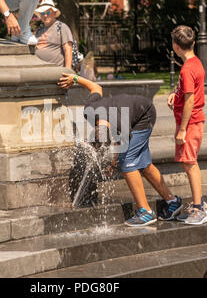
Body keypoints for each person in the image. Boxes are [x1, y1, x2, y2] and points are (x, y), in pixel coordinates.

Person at [58, 73, 183, 227]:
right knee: (143, 164)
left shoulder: (120, 124)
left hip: (144, 115)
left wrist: (115, 159)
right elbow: (96, 87)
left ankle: (145, 212)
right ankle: (172, 201)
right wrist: (75, 78)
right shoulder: (89, 110)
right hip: (132, 111)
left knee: (127, 163)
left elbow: (123, 141)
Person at [167, 25, 207, 225]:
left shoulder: (186, 69)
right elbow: (186, 95)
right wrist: (174, 97)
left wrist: (183, 130)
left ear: (176, 47)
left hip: (190, 123)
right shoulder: (195, 63)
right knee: (189, 161)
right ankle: (200, 202)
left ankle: (198, 207)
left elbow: (190, 100)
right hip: (193, 120)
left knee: (189, 163)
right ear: (193, 43)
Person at [34, 0, 73, 69]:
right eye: (42, 13)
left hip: (56, 71)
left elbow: (68, 49)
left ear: (54, 14)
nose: (45, 15)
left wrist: (68, 71)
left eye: (48, 12)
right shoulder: (39, 29)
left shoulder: (62, 27)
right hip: (39, 71)